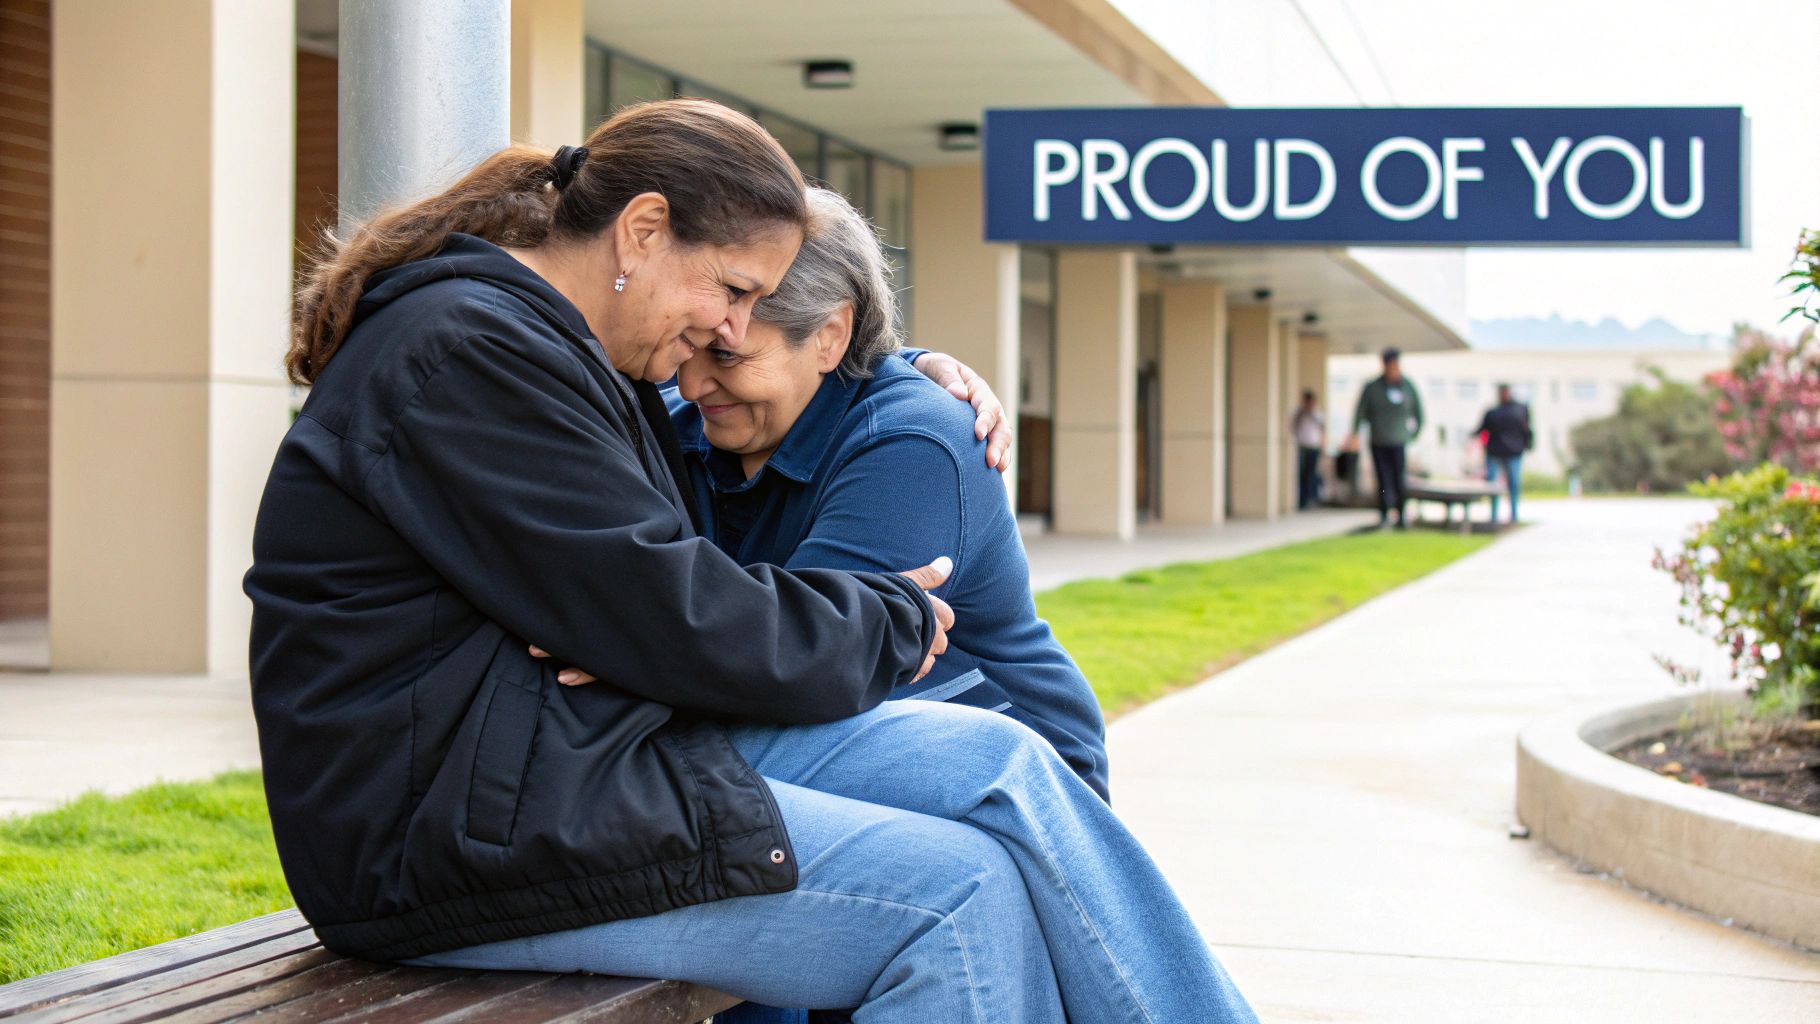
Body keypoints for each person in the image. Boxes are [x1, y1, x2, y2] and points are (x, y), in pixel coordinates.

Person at [245, 99, 1257, 1023]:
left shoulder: (563, 353)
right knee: (958, 891)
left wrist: (908, 369)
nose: (726, 331)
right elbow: (679, 615)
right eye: (729, 289)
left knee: (999, 758)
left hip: (582, 751)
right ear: (641, 232)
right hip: (459, 834)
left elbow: (661, 610)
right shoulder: (466, 354)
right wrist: (876, 617)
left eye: (755, 306)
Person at [1348, 347, 1424, 528]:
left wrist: (1413, 435)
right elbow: (1360, 412)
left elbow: (1419, 414)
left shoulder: (1407, 386)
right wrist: (1355, 433)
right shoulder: (1373, 387)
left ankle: (1401, 515)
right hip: (1378, 440)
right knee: (1382, 479)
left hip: (1399, 441)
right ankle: (1383, 513)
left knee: (1399, 478)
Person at [1476, 383, 1532, 523]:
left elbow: (1526, 431)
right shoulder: (1493, 412)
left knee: (1513, 485)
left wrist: (1526, 445)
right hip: (1496, 452)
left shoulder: (1519, 410)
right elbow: (1483, 430)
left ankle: (1513, 516)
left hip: (1513, 453)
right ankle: (1494, 516)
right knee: (1493, 486)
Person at [1291, 388, 1327, 510]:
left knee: (1311, 473)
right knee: (1301, 474)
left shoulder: (1317, 414)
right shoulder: (1299, 413)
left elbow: (1322, 430)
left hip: (1313, 447)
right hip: (1302, 447)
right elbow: (1293, 426)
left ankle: (1311, 498)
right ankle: (1302, 500)